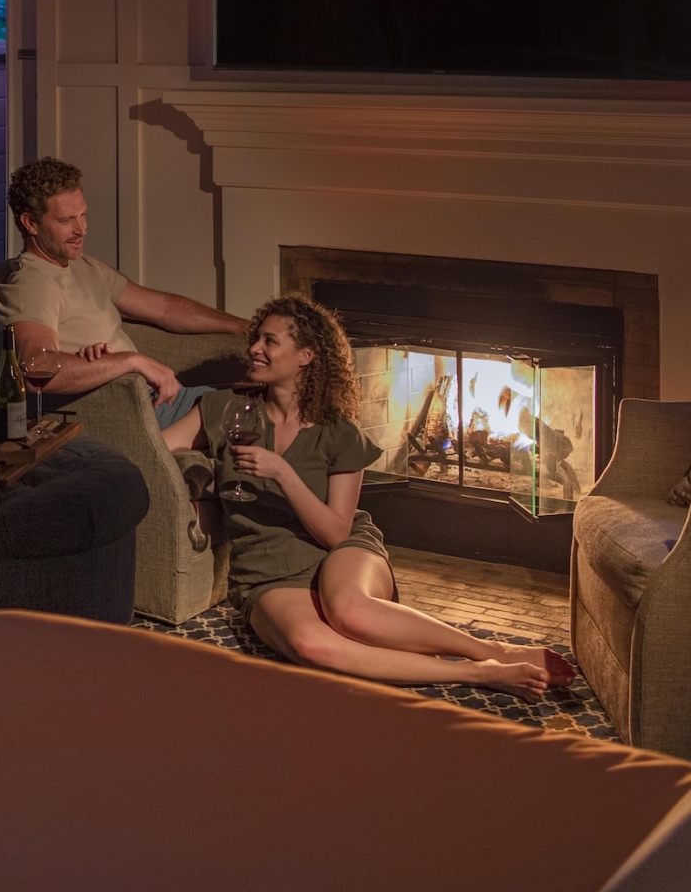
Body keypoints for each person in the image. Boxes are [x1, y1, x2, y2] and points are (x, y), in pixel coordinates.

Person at [203, 293, 577, 698]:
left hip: (340, 552)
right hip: (268, 571)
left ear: (306, 356)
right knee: (310, 646)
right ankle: (478, 673)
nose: (254, 348)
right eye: (256, 339)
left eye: (269, 341)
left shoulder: (339, 433)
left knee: (350, 614)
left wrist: (282, 473)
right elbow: (159, 448)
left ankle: (492, 650)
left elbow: (335, 534)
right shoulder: (225, 409)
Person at [0, 157, 246, 446]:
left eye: (82, 215)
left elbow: (165, 309)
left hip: (164, 400)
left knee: (271, 400)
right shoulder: (32, 285)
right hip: (137, 411)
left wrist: (243, 327)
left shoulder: (84, 267)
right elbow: (35, 367)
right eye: (66, 220)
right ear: (30, 223)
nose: (81, 229)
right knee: (262, 415)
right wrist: (132, 361)